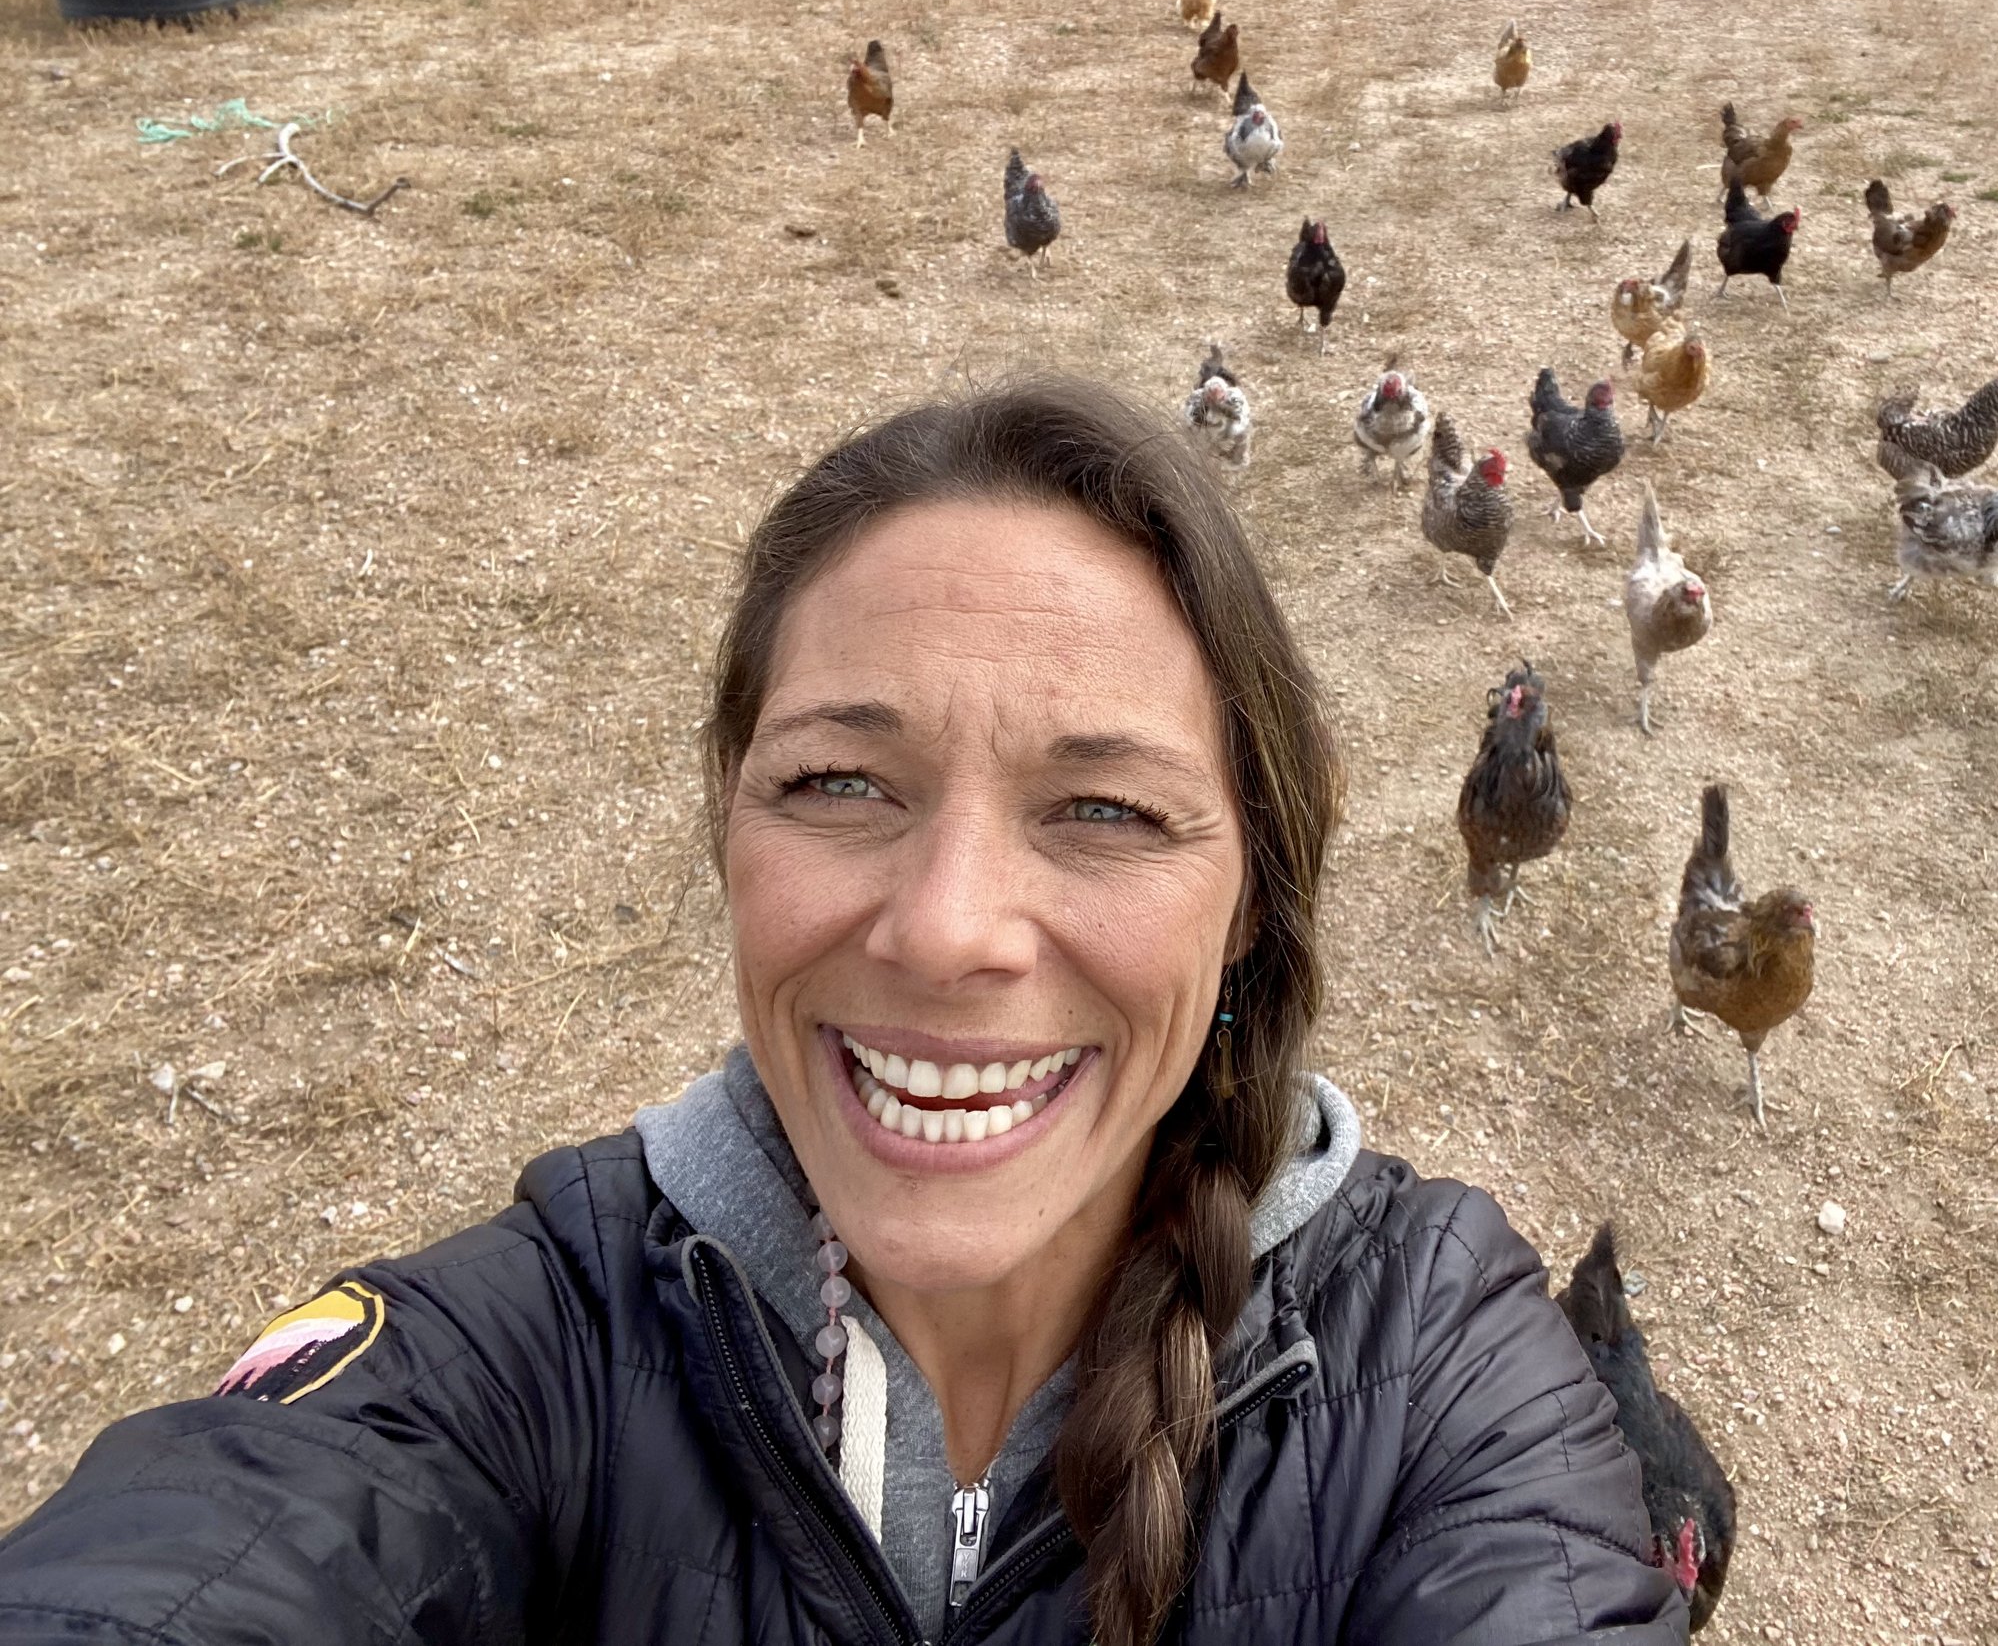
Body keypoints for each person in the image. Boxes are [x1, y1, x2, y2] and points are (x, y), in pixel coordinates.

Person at [0, 382, 1684, 1644]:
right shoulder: (535, 1346)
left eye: (1102, 810)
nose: (948, 928)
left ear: (1252, 897)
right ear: (728, 824)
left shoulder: (1441, 1372)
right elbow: (218, 1555)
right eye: (839, 783)